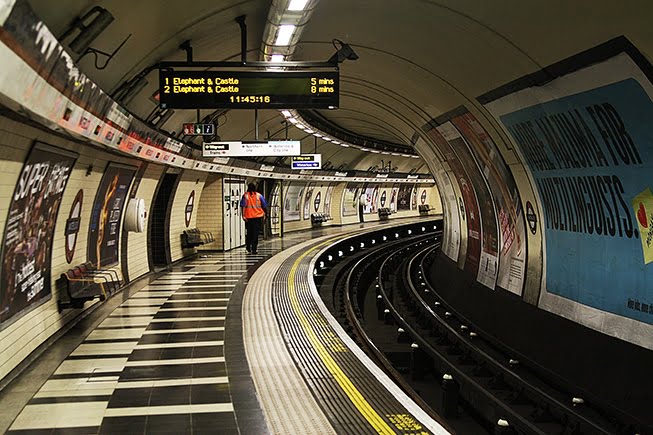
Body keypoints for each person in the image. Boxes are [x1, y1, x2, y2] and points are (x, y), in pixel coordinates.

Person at [240, 183, 267, 254]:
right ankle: (254, 249)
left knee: (249, 233)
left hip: (248, 218)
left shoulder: (245, 196)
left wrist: (243, 215)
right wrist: (265, 214)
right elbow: (264, 206)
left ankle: (248, 248)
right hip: (257, 217)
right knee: (255, 234)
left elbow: (243, 206)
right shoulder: (259, 196)